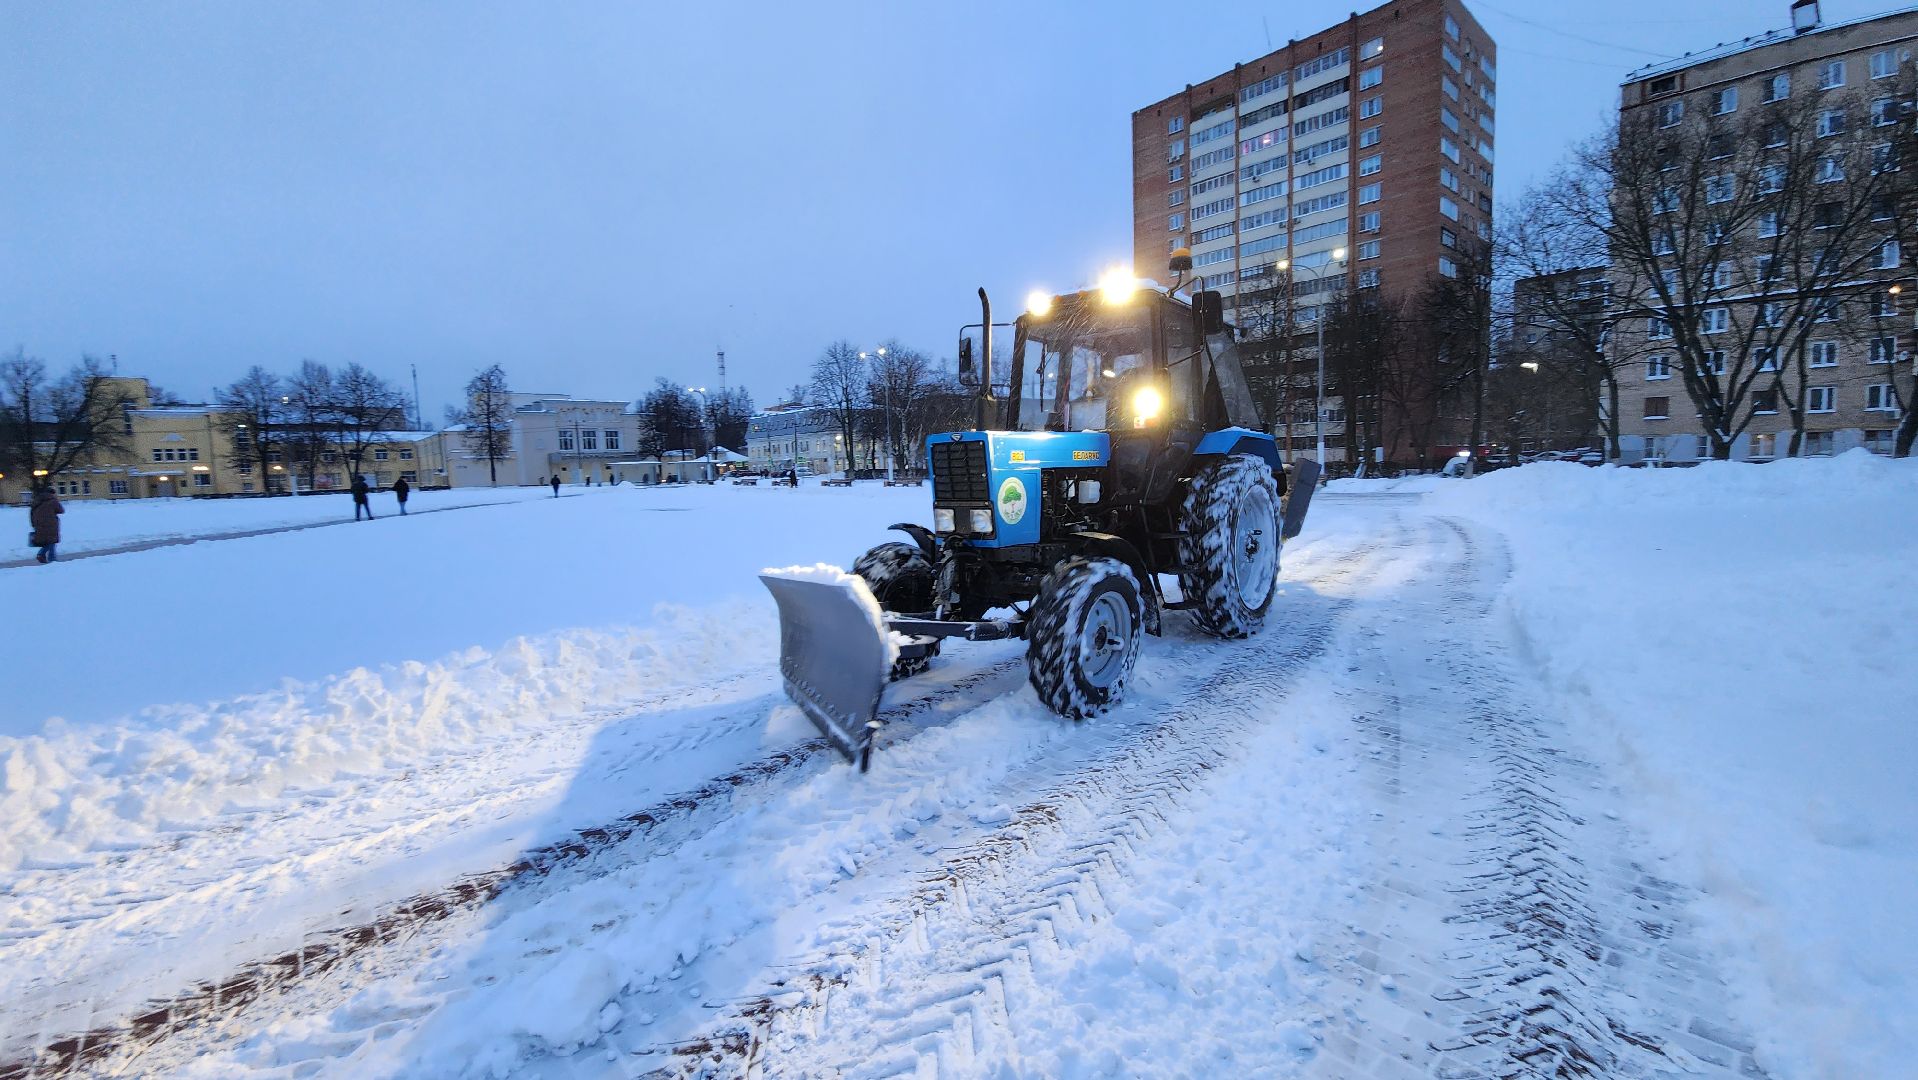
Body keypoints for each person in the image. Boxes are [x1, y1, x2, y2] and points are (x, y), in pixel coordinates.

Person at [28, 485, 63, 563]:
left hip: (38, 525)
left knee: (48, 541)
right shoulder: (53, 501)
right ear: (52, 493)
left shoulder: (37, 501)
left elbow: (31, 513)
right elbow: (61, 510)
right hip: (51, 525)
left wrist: (34, 524)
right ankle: (51, 559)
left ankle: (42, 554)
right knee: (51, 541)